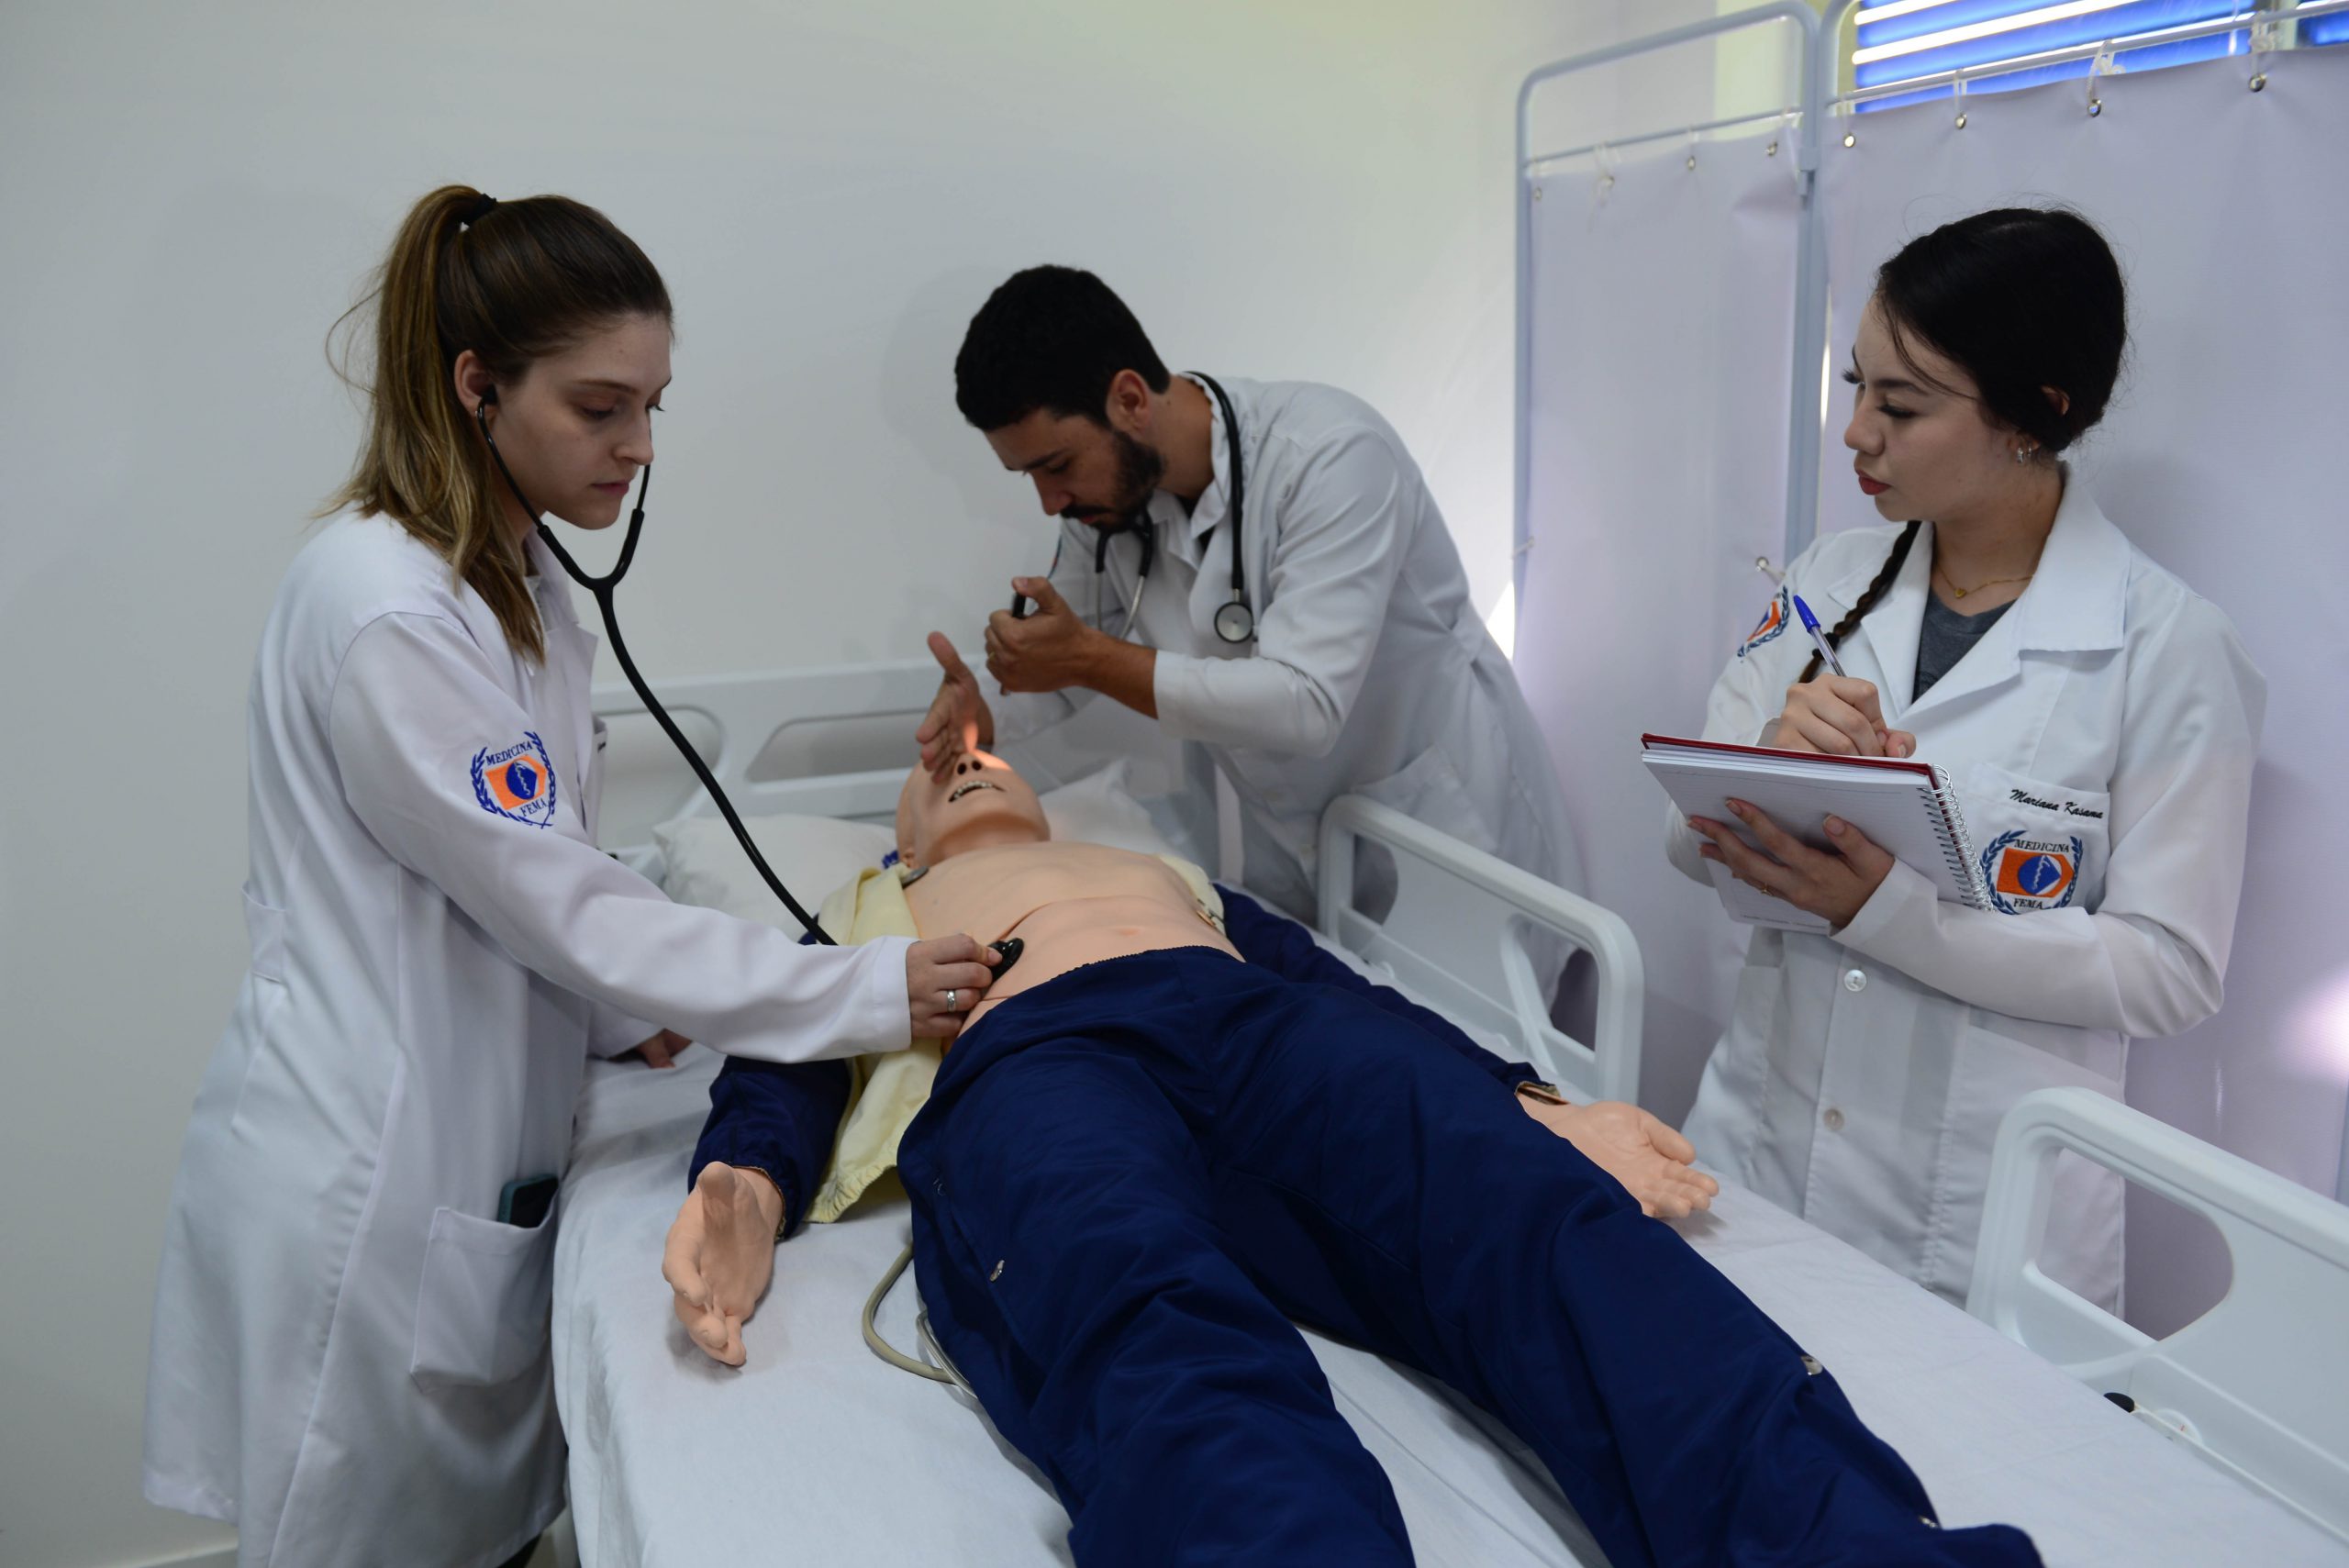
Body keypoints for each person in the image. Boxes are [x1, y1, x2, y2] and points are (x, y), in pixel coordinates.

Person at [141, 185, 996, 1568]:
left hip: (469, 1137)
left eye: (652, 406)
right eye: (601, 408)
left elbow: (521, 871)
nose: (640, 447)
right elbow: (562, 898)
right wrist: (862, 990)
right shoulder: (388, 610)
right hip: (372, 1167)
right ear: (477, 386)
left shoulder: (517, 578)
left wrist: (618, 1016)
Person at [661, 752, 2043, 1568]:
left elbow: (1343, 989)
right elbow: (784, 1049)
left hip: (1258, 1026)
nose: (968, 757)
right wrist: (749, 1182)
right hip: (1036, 1057)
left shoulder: (1167, 871)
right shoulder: (863, 902)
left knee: (1548, 1230)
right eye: (937, 765)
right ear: (901, 832)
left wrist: (1526, 1101)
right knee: (1147, 1304)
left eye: (989, 751)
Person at [1668, 208, 2265, 1308]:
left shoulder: (2168, 647)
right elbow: (1683, 835)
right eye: (1857, 388)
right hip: (1755, 1151)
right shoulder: (1823, 579)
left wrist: (1889, 914)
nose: (1856, 432)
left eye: (1900, 406)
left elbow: (2169, 969)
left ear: (2035, 414)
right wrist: (1760, 761)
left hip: (1977, 1226)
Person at [915, 264, 1578, 925]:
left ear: (1131, 400)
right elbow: (1067, 657)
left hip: (1443, 831)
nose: (1049, 501)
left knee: (1482, 993)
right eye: (1028, 475)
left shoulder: (1332, 456)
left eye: (1058, 465)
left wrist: (1088, 659)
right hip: (1297, 858)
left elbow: (1306, 703)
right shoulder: (1106, 511)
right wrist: (985, 709)